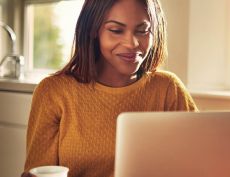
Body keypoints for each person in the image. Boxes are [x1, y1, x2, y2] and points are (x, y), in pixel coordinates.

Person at [22, 0, 197, 176]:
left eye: (142, 30)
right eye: (116, 30)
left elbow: (200, 159)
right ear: (93, 30)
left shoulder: (168, 89)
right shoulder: (54, 92)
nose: (132, 43)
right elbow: (38, 171)